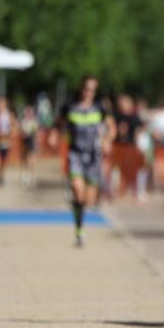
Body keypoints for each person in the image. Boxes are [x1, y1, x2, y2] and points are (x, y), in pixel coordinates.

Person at [51, 77, 116, 247]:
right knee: (78, 192)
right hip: (76, 154)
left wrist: (108, 140)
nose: (89, 92)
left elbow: (111, 127)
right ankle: (79, 230)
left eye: (93, 89)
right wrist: (54, 135)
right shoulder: (70, 107)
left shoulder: (100, 108)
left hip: (94, 157)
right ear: (81, 88)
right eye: (87, 88)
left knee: (88, 200)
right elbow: (58, 123)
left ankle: (82, 206)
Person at [19, 104, 39, 186]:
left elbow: (35, 132)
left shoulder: (34, 122)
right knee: (24, 160)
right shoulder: (23, 122)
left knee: (31, 161)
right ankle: (25, 175)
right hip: (25, 143)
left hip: (31, 142)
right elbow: (21, 132)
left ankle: (30, 176)